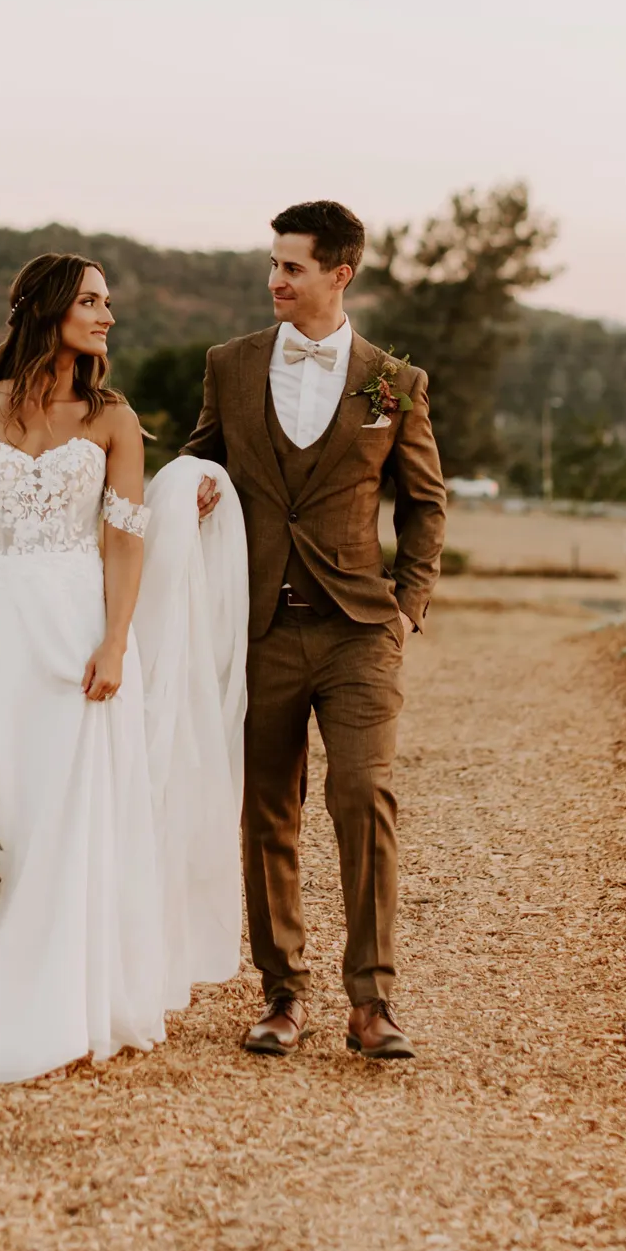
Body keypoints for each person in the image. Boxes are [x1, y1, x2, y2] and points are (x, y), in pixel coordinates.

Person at [0, 252, 246, 1083]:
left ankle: (53, 1007)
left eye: (107, 302)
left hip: (79, 639)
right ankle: (24, 974)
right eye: (92, 300)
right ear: (48, 306)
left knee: (72, 813)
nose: (107, 315)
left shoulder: (112, 420)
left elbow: (124, 541)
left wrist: (116, 641)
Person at [186, 199, 447, 1060]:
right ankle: (283, 993)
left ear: (340, 273)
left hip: (358, 631)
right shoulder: (229, 365)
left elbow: (425, 502)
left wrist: (407, 603)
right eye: (272, 263)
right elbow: (198, 459)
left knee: (363, 797)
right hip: (260, 625)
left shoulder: (394, 382)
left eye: (291, 266)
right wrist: (191, 492)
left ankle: (372, 1002)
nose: (275, 279)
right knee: (268, 811)